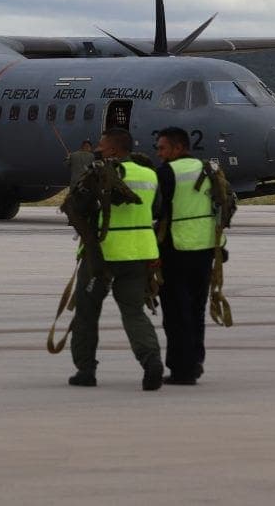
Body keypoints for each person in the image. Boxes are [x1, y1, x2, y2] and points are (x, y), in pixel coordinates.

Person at [68, 127, 164, 391]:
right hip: (140, 253)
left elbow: (79, 208)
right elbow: (156, 209)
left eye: (102, 143)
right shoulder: (149, 174)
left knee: (87, 313)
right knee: (134, 311)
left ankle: (85, 370)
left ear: (112, 148)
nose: (98, 147)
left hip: (103, 255)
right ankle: (151, 360)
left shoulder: (98, 174)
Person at [154, 126, 223, 385]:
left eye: (162, 148)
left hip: (176, 250)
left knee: (175, 313)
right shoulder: (208, 170)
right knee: (196, 310)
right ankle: (195, 363)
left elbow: (156, 208)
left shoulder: (167, 172)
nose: (159, 153)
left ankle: (181, 369)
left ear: (178, 148)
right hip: (205, 250)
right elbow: (221, 209)